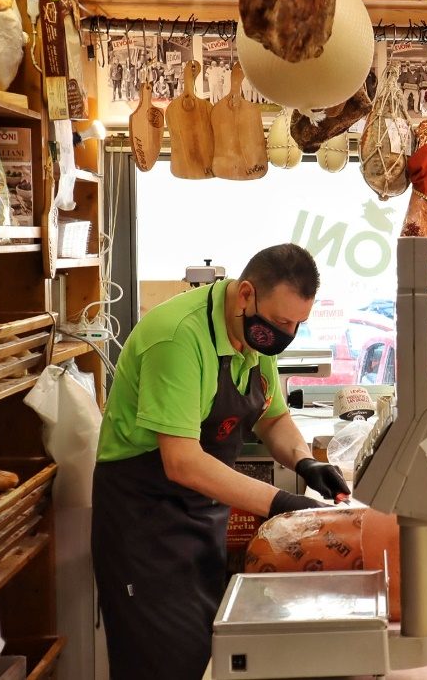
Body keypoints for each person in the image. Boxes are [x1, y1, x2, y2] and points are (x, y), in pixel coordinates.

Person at [92, 244, 348, 680]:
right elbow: (182, 462)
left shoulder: (253, 334)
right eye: (282, 322)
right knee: (160, 664)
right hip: (144, 525)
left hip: (200, 521)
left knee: (202, 660)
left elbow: (273, 417)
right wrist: (283, 505)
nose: (287, 335)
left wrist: (306, 463)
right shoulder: (177, 337)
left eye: (297, 325)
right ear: (246, 294)